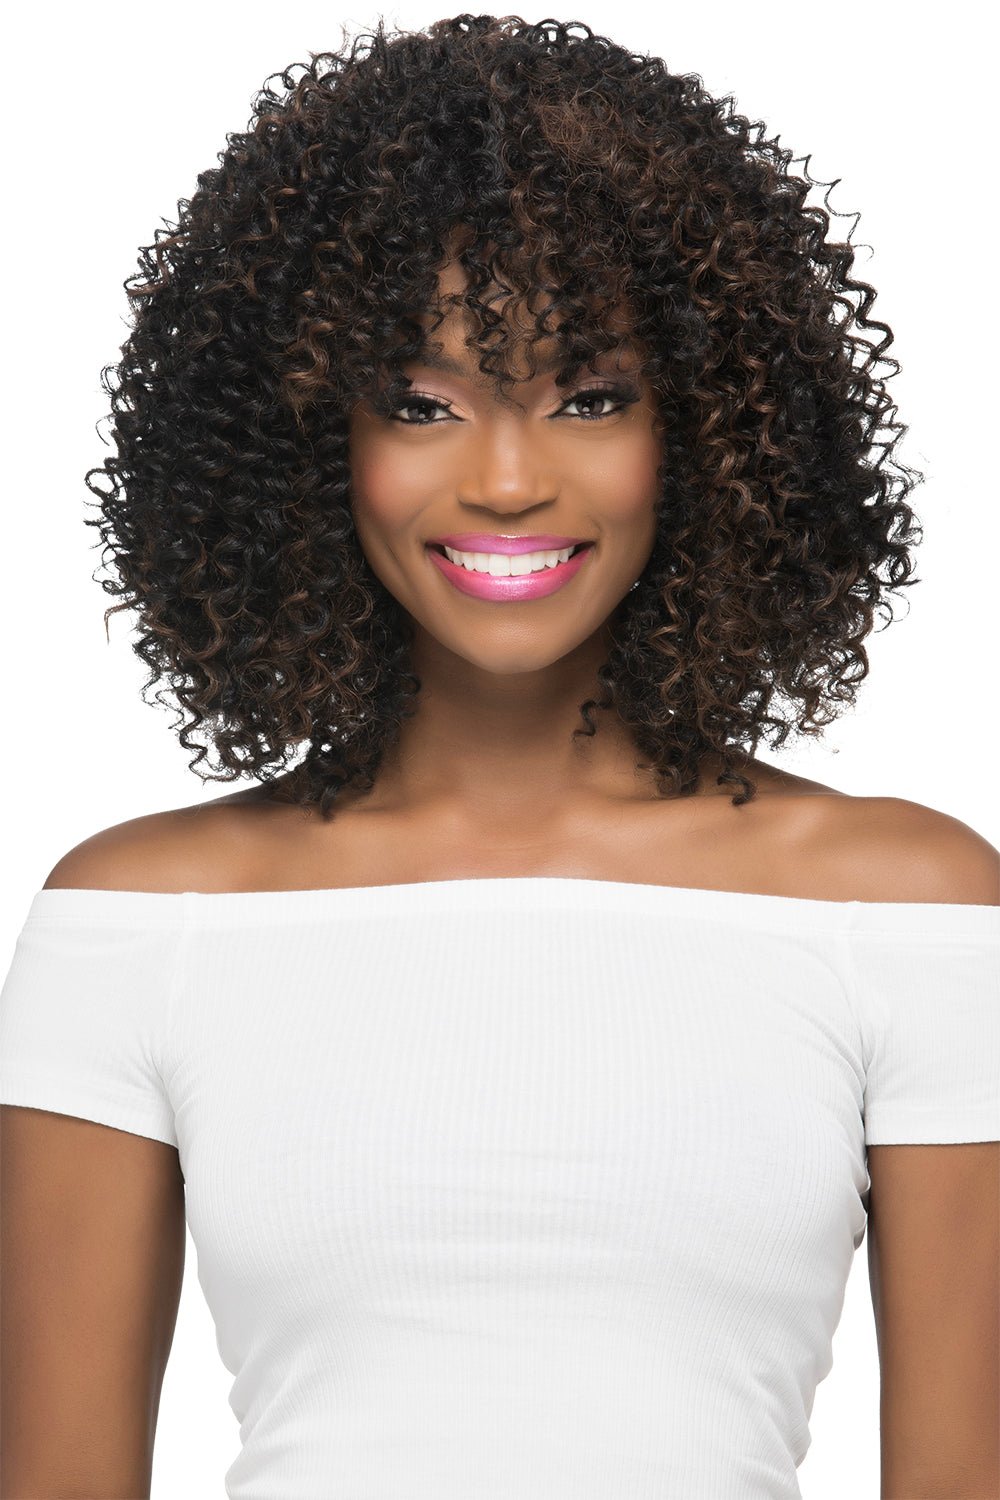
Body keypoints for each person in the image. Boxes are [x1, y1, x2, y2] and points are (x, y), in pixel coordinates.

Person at [1, 14, 997, 1500]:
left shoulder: (909, 911)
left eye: (591, 397)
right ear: (311, 442)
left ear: (708, 430)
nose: (511, 479)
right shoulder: (140, 922)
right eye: (422, 406)